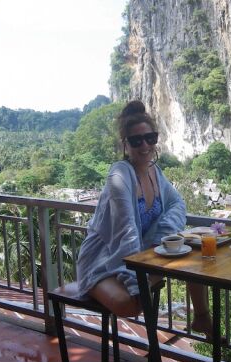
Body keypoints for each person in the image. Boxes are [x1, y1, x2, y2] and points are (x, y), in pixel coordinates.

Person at [76, 100, 215, 338]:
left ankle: (202, 318)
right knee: (132, 305)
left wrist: (160, 239)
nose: (145, 146)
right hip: (103, 260)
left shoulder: (155, 172)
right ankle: (145, 279)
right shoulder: (120, 174)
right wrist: (136, 281)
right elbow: (126, 231)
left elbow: (177, 204)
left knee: (194, 263)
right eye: (136, 140)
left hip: (141, 256)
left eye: (150, 138)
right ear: (125, 145)